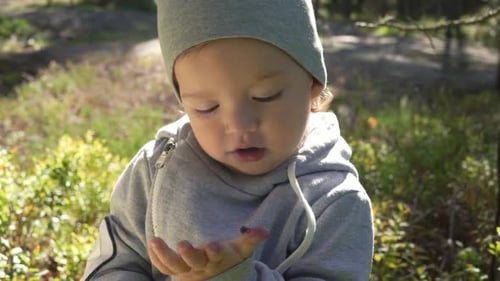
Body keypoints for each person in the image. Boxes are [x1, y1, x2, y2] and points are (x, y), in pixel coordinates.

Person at [81, 1, 374, 280]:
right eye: (206, 107)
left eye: (266, 95)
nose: (239, 125)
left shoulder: (334, 200)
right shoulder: (155, 168)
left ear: (313, 84)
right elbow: (115, 260)